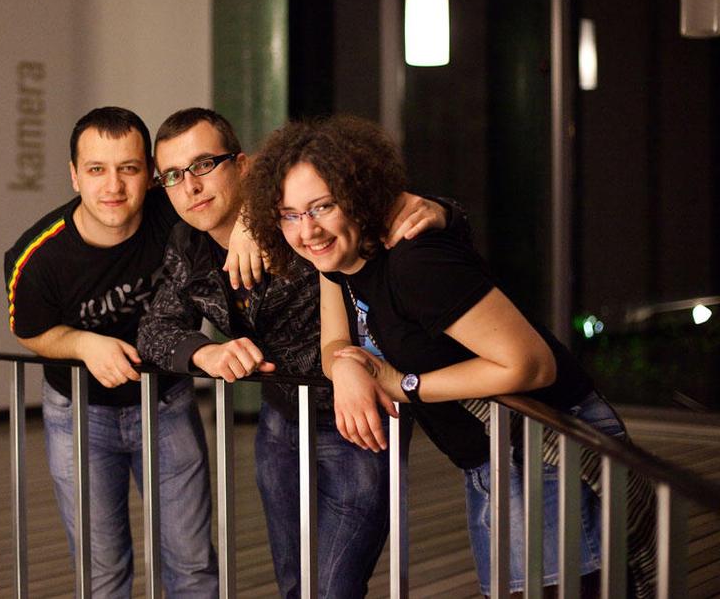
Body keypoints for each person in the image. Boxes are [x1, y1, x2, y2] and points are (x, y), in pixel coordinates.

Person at [241, 115, 656, 598]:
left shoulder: (415, 261)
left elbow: (530, 363)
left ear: (357, 196)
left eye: (322, 206)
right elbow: (335, 342)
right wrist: (347, 367)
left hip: (544, 444)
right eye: (289, 214)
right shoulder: (339, 261)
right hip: (491, 458)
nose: (307, 229)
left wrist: (405, 385)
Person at [136, 107, 465, 598]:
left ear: (243, 166)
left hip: (359, 419)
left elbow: (402, 210)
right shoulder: (189, 243)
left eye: (204, 165)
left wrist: (443, 211)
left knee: (333, 588)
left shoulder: (298, 215)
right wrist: (205, 354)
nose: (191, 187)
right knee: (295, 582)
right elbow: (155, 328)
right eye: (173, 176)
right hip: (280, 422)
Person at [4, 106, 257, 597]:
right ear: (74, 176)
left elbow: (255, 169)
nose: (113, 186)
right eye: (97, 169)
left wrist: (248, 217)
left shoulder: (177, 207)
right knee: (102, 571)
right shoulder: (36, 257)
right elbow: (29, 331)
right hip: (79, 414)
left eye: (129, 168)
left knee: (192, 564)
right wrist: (82, 343)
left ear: (152, 176)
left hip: (167, 402)